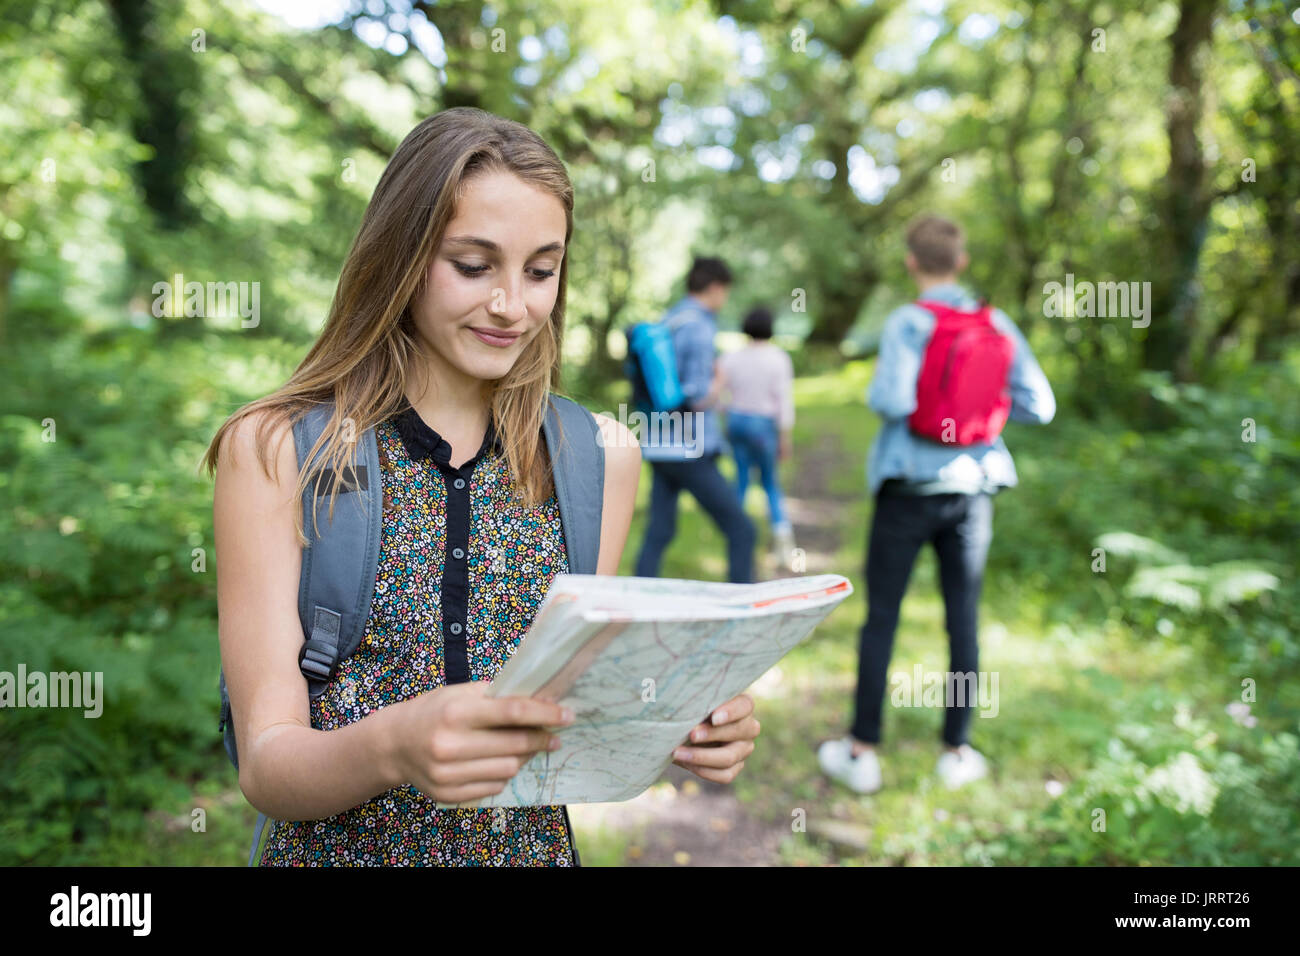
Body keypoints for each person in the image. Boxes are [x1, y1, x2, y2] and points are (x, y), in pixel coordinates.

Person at [204, 109, 760, 866]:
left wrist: (677, 731)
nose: (513, 306)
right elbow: (267, 765)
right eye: (473, 265)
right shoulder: (275, 449)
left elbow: (572, 726)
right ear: (401, 256)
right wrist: (393, 748)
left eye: (541, 271)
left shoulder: (599, 455)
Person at [818, 214, 1055, 794]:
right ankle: (956, 751)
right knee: (962, 621)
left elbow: (891, 399)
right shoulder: (995, 321)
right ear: (962, 261)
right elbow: (1040, 405)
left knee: (883, 618)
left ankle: (862, 752)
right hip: (973, 491)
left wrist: (930, 408)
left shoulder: (908, 321)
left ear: (911, 262)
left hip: (907, 490)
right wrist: (984, 418)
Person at [633, 257, 758, 583]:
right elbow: (697, 396)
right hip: (690, 448)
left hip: (658, 444)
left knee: (659, 531)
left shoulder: (670, 318)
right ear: (716, 287)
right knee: (742, 530)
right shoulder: (699, 327)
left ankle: (634, 603)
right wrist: (719, 380)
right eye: (725, 292)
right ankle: (741, 612)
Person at [718, 306, 797, 566]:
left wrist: (725, 414)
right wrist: (785, 436)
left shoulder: (732, 357)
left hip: (738, 421)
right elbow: (783, 400)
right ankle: (782, 540)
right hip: (763, 424)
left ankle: (737, 537)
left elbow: (719, 393)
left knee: (740, 481)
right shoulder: (778, 358)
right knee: (770, 483)